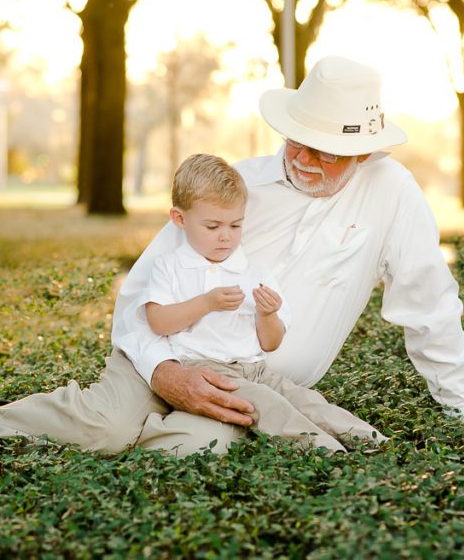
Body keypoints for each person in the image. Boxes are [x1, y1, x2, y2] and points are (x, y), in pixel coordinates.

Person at [0, 55, 464, 457]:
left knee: (193, 452)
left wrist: (462, 415)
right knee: (103, 426)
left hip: (247, 375)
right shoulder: (236, 187)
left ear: (366, 153)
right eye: (300, 141)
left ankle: (155, 433)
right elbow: (140, 295)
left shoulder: (394, 194)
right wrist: (164, 371)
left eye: (328, 153)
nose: (306, 160)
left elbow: (428, 303)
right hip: (159, 353)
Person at [139, 153, 385, 452]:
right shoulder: (170, 266)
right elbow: (158, 322)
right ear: (180, 219)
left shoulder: (252, 272)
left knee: (304, 399)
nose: (225, 238)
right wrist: (206, 303)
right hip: (209, 369)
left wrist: (267, 314)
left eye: (235, 226)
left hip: (255, 367)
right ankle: (325, 450)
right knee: (270, 407)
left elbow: (270, 342)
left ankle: (371, 439)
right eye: (213, 227)